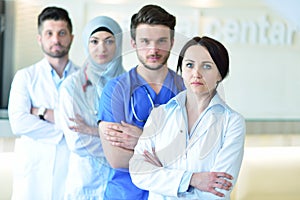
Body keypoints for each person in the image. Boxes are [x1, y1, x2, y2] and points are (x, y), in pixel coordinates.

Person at [129, 36, 246, 199]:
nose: (196, 73)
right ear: (181, 70)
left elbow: (218, 192)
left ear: (220, 74)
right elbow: (138, 171)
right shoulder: (160, 114)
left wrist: (163, 173)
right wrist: (193, 179)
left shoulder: (232, 122)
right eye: (189, 65)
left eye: (206, 66)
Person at [97, 4, 185, 200]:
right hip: (124, 194)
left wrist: (142, 139)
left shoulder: (186, 90)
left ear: (172, 42)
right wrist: (168, 149)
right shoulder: (115, 91)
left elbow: (194, 155)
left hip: (170, 195)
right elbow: (117, 158)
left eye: (161, 41)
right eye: (145, 41)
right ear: (134, 43)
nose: (153, 49)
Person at [8, 6, 79, 200]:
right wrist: (67, 130)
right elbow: (19, 123)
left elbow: (88, 124)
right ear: (40, 39)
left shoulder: (85, 80)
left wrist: (41, 112)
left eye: (62, 33)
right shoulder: (25, 77)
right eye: (49, 33)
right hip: (33, 175)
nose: (56, 39)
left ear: (71, 37)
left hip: (70, 172)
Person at [58, 16, 125, 199]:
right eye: (94, 41)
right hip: (85, 184)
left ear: (118, 44)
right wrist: (120, 145)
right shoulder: (72, 87)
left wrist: (92, 130)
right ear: (86, 44)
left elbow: (139, 138)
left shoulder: (130, 84)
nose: (101, 48)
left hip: (122, 184)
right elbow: (78, 142)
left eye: (109, 41)